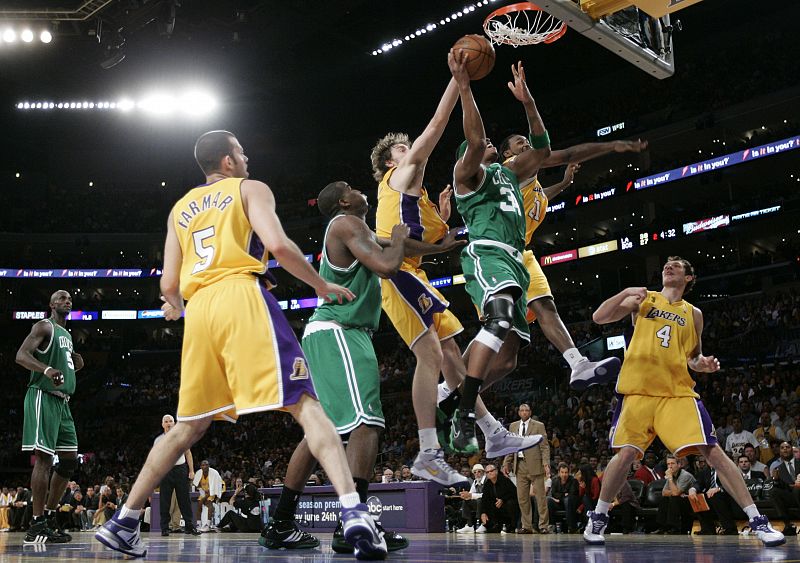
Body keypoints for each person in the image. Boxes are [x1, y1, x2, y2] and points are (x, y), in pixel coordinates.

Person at [95, 130, 386, 560]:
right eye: (241, 151)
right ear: (228, 161)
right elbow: (279, 246)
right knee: (308, 404)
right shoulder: (249, 188)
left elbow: (168, 284)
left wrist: (173, 304)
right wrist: (320, 284)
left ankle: (124, 520)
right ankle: (354, 511)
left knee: (188, 427)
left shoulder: (180, 208)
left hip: (199, 313)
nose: (246, 157)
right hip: (239, 296)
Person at [371, 66, 536, 479]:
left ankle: (491, 431)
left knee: (452, 355)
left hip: (416, 274)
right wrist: (458, 78)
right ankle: (427, 451)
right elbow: (438, 123)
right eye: (403, 147)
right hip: (397, 273)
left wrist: (442, 223)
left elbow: (433, 237)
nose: (410, 149)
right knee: (429, 355)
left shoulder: (420, 195)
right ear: (390, 160)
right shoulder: (400, 174)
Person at [583, 256, 784, 547]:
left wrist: (705, 365)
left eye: (676, 266)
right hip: (638, 391)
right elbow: (599, 318)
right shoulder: (644, 299)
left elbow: (693, 358)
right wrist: (626, 291)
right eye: (665, 264)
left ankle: (757, 520)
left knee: (712, 451)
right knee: (625, 454)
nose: (668, 266)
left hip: (676, 393)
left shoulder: (694, 314)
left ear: (689, 278)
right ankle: (599, 516)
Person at [260, 180, 409, 553]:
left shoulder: (358, 230)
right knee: (365, 423)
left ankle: (279, 524)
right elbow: (388, 265)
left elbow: (391, 245)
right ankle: (352, 523)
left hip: (326, 333)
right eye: (353, 187)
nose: (361, 189)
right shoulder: (346, 223)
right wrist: (403, 236)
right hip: (341, 331)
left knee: (318, 432)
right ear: (344, 201)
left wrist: (444, 242)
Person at [448, 56, 552, 451]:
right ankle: (463, 414)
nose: (490, 144)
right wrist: (463, 86)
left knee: (508, 359)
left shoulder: (508, 174)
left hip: (516, 260)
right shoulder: (468, 176)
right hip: (487, 254)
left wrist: (528, 103)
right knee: (500, 316)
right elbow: (475, 141)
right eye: (483, 146)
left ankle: (455, 394)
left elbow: (542, 149)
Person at [489, 133, 646, 390]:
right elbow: (567, 153)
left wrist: (563, 183)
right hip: (498, 256)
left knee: (545, 309)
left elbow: (541, 197)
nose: (525, 142)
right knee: (503, 351)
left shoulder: (531, 183)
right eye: (519, 141)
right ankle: (457, 389)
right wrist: (610, 146)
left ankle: (578, 364)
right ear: (507, 153)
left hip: (522, 254)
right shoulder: (513, 168)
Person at [16, 289, 84, 544]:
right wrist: (46, 369)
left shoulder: (67, 335)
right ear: (52, 304)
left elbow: (63, 361)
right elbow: (21, 355)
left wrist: (75, 364)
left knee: (68, 462)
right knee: (44, 460)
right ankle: (35, 525)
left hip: (63, 403)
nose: (67, 301)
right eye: (62, 298)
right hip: (43, 396)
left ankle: (49, 516)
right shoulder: (45, 326)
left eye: (69, 299)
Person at [502, 403, 550, 534]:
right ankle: (527, 526)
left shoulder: (538, 425)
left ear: (530, 412)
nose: (524, 412)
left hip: (536, 464)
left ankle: (543, 525)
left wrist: (546, 463)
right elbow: (510, 446)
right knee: (522, 498)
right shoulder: (513, 426)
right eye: (522, 410)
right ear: (519, 412)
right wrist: (506, 463)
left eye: (526, 410)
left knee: (540, 497)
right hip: (520, 465)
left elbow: (544, 446)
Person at [155, 414, 199, 536]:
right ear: (162, 424)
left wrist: (191, 470)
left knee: (184, 499)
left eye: (171, 421)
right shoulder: (158, 440)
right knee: (165, 500)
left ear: (174, 423)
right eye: (166, 421)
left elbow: (188, 453)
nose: (169, 423)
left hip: (181, 469)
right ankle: (164, 528)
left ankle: (190, 526)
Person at [767, 441, 799, 536]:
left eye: (787, 447)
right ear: (780, 452)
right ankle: (788, 525)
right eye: (782, 448)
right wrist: (776, 480)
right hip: (791, 495)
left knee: (798, 489)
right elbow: (782, 487)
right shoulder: (778, 469)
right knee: (774, 492)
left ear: (792, 450)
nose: (785, 449)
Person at [478, 465, 518, 534]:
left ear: (496, 471)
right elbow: (484, 499)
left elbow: (514, 493)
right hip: (495, 506)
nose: (489, 473)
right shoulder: (487, 484)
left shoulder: (505, 480)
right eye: (487, 472)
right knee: (483, 504)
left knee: (510, 503)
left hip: (506, 504)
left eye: (491, 471)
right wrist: (483, 512)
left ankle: (511, 527)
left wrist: (502, 499)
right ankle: (488, 525)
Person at [548, 463, 579, 533]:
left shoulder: (573, 481)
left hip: (570, 504)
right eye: (562, 472)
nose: (564, 475)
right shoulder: (555, 480)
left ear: (569, 473)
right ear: (559, 473)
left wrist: (560, 497)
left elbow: (572, 494)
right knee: (548, 500)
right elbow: (553, 494)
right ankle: (551, 525)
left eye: (566, 472)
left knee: (567, 499)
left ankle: (571, 526)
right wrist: (564, 494)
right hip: (558, 503)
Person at [456, 464, 487, 533]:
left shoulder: (487, 480)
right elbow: (471, 493)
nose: (477, 474)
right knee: (466, 501)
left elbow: (485, 495)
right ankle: (469, 525)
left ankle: (482, 524)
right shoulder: (475, 481)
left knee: (479, 501)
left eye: (479, 471)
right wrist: (465, 495)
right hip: (479, 501)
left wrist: (471, 495)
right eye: (475, 472)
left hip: (488, 502)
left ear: (483, 472)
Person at [193, 460, 222, 532]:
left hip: (212, 492)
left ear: (209, 466)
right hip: (203, 492)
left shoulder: (214, 473)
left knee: (210, 505)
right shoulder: (199, 473)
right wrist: (201, 491)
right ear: (201, 467)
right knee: (199, 504)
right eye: (203, 465)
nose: (205, 466)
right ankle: (198, 524)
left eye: (206, 465)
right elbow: (197, 484)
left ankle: (207, 525)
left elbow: (214, 488)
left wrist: (205, 498)